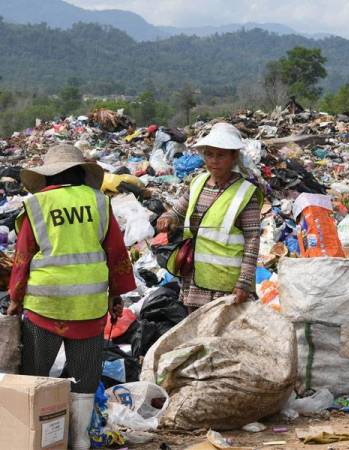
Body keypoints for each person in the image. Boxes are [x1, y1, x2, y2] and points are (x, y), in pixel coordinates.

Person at [7, 144, 135, 450]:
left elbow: (23, 257)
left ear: (48, 176)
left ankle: (34, 440)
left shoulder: (36, 204)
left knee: (35, 378)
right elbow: (116, 253)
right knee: (85, 380)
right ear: (81, 174)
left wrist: (15, 297)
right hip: (89, 308)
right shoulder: (100, 202)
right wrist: (115, 295)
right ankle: (79, 441)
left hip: (44, 306)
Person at [157, 123, 262, 312]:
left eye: (221, 155)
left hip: (228, 285)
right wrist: (167, 219)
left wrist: (244, 282)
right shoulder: (198, 182)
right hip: (195, 278)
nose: (214, 161)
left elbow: (252, 240)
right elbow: (177, 212)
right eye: (209, 154)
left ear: (233, 157)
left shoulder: (246, 193)